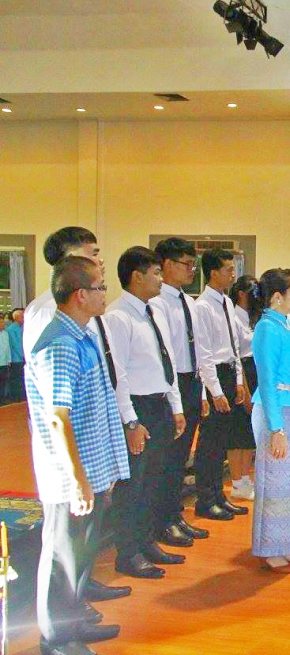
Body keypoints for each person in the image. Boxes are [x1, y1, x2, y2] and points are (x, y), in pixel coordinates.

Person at [26, 256, 130, 655]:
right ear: (80, 295)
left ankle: (75, 625)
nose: (106, 293)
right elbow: (58, 418)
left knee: (81, 556)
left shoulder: (83, 335)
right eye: (101, 286)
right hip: (70, 475)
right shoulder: (61, 344)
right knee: (62, 560)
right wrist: (77, 478)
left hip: (89, 469)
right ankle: (56, 640)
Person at [102, 247, 187, 579]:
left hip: (159, 403)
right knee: (133, 485)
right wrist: (131, 421)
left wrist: (176, 406)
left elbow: (168, 362)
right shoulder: (118, 316)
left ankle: (147, 540)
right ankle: (128, 552)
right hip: (138, 408)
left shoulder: (155, 311)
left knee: (155, 479)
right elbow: (118, 375)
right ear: (136, 277)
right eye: (155, 273)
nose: (160, 279)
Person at [150, 237, 215, 546]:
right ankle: (162, 521)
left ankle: (175, 515)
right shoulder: (157, 302)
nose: (192, 270)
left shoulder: (188, 301)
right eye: (186, 264)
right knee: (167, 458)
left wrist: (201, 394)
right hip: (170, 385)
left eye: (193, 264)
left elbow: (199, 349)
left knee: (180, 458)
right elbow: (166, 355)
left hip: (191, 383)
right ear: (166, 265)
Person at [250, 269, 290, 573]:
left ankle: (286, 545)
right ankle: (269, 548)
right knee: (274, 482)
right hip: (276, 413)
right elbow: (267, 380)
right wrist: (277, 428)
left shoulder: (286, 325)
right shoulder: (267, 328)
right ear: (277, 297)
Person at [193, 249, 249, 520]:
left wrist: (238, 380)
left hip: (228, 373)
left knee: (222, 442)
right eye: (228, 269)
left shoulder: (226, 302)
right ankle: (206, 499)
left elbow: (234, 345)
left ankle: (219, 495)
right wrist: (214, 391)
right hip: (212, 376)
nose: (233, 274)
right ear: (213, 273)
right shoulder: (202, 306)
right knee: (210, 443)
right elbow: (204, 353)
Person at [23, 227, 105, 357]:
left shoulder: (87, 301)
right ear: (71, 259)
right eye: (94, 254)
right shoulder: (47, 309)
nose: (100, 260)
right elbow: (49, 363)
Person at [228, 275, 259, 501]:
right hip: (242, 373)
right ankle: (236, 481)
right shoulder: (234, 317)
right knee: (238, 431)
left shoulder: (254, 318)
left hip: (255, 370)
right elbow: (237, 354)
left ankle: (247, 477)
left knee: (250, 432)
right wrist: (245, 389)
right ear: (241, 293)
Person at [7, 308, 25, 402]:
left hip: (23, 358)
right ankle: (16, 399)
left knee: (22, 379)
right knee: (16, 380)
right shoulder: (11, 329)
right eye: (22, 316)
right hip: (16, 359)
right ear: (17, 318)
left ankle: (22, 398)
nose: (24, 318)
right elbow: (16, 345)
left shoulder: (23, 327)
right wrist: (24, 356)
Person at [0, 316, 10, 405]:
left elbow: (8, 348)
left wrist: (9, 360)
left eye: (3, 322)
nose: (3, 324)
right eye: (1, 322)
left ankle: (2, 399)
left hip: (4, 362)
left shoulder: (5, 333)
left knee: (3, 381)